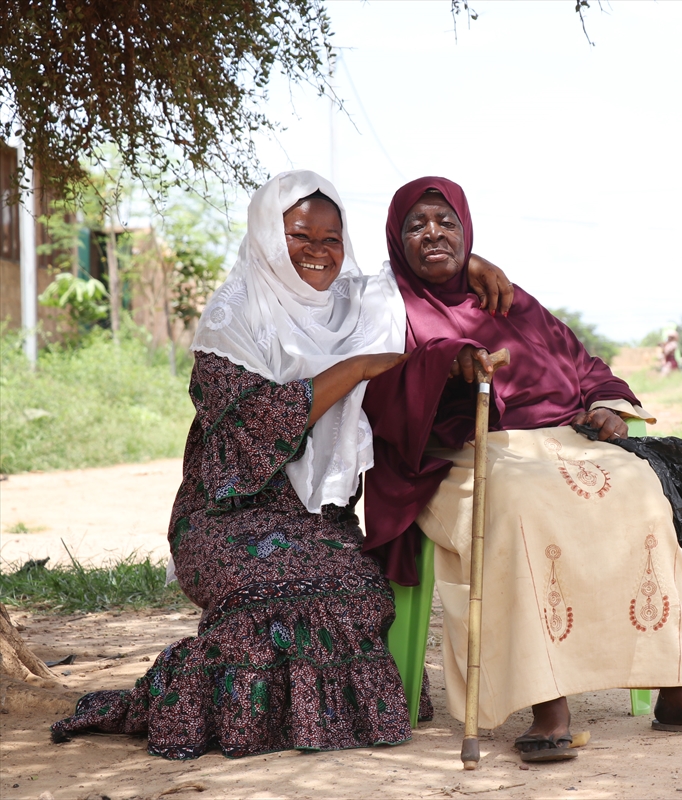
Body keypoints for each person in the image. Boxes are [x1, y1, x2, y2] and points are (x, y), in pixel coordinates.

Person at [50, 171, 513, 760]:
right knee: (266, 608)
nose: (318, 251)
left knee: (356, 599)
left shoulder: (354, 304)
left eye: (331, 239)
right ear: (269, 235)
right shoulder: (232, 318)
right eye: (300, 236)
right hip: (226, 514)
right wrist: (354, 369)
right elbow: (258, 424)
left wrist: (469, 264)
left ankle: (302, 723)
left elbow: (406, 277)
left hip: (315, 518)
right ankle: (201, 705)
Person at [360, 177, 682, 764]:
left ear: (467, 232)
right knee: (525, 502)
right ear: (396, 240)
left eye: (446, 223)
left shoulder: (508, 298)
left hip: (564, 441)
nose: (433, 234)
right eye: (416, 225)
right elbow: (376, 385)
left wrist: (604, 405)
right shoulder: (383, 302)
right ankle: (548, 702)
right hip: (461, 453)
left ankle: (676, 690)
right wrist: (443, 361)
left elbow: (580, 362)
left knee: (641, 488)